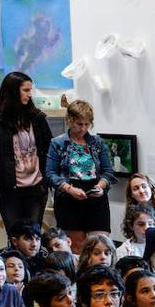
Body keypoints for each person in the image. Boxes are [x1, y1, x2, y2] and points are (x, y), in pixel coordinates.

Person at [0, 71, 52, 226]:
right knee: (15, 237)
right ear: (12, 91)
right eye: (26, 90)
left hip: (37, 188)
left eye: (30, 90)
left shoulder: (37, 118)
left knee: (34, 237)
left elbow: (49, 150)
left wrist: (47, 180)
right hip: (8, 189)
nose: (30, 95)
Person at [46, 100, 115, 252]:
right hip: (68, 198)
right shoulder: (57, 143)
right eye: (79, 124)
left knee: (100, 246)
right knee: (77, 247)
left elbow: (108, 172)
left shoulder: (97, 143)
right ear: (69, 120)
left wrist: (101, 186)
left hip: (96, 197)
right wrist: (69, 189)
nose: (83, 128)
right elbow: (50, 174)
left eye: (87, 124)